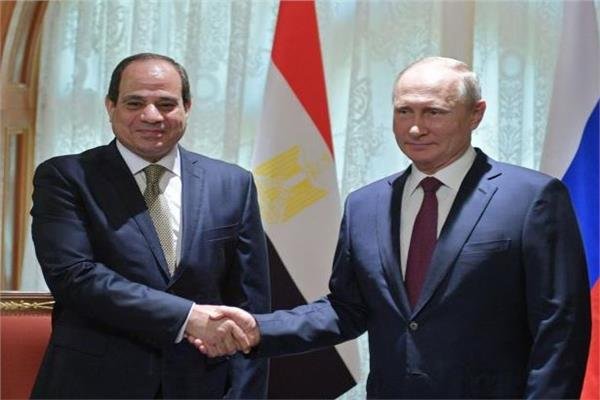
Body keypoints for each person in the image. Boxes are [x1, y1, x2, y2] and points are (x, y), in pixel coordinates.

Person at [192, 56, 591, 398]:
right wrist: (259, 329)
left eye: (433, 112)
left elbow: (560, 327)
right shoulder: (365, 205)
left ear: (476, 114)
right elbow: (347, 309)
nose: (415, 128)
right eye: (404, 112)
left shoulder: (532, 198)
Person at [30, 53, 270, 399]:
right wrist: (187, 317)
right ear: (110, 106)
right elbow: (74, 276)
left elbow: (251, 307)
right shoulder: (66, 177)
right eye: (135, 103)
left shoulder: (233, 184)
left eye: (166, 104)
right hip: (94, 384)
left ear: (187, 107)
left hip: (201, 385)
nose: (152, 116)